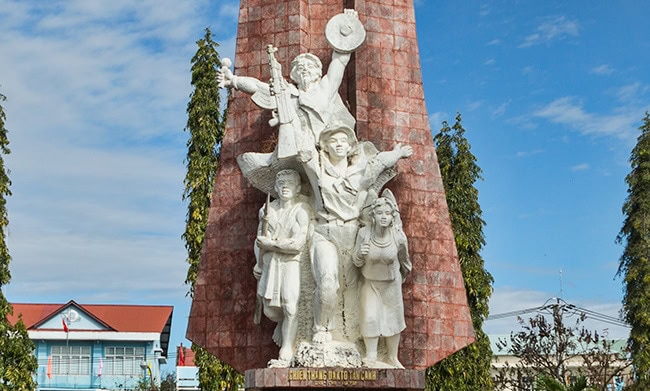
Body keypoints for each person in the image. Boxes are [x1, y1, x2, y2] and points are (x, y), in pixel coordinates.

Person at [300, 123, 413, 344]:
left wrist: (398, 153)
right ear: (324, 146)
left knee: (353, 290)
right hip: (325, 233)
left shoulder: (360, 173)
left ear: (351, 145)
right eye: (333, 140)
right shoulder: (318, 170)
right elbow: (302, 150)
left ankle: (351, 336)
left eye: (343, 140)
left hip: (352, 233)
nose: (339, 144)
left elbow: (378, 163)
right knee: (328, 283)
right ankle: (321, 329)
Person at [253, 169, 311, 367]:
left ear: (297, 188)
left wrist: (272, 245)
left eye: (290, 183)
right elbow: (259, 241)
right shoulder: (269, 211)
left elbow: (297, 244)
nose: (285, 186)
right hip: (271, 264)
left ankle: (286, 349)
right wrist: (257, 262)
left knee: (290, 306)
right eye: (281, 183)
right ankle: (283, 326)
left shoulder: (301, 211)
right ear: (276, 188)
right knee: (270, 310)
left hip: (290, 263)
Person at [353, 192, 411, 368]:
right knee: (370, 316)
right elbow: (355, 261)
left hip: (391, 284)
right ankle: (371, 355)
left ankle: (392, 357)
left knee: (393, 318)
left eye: (387, 213)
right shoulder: (364, 234)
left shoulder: (399, 237)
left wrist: (399, 280)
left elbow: (405, 262)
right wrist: (360, 254)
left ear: (393, 216)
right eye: (380, 213)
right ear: (373, 216)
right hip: (369, 282)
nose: (383, 217)